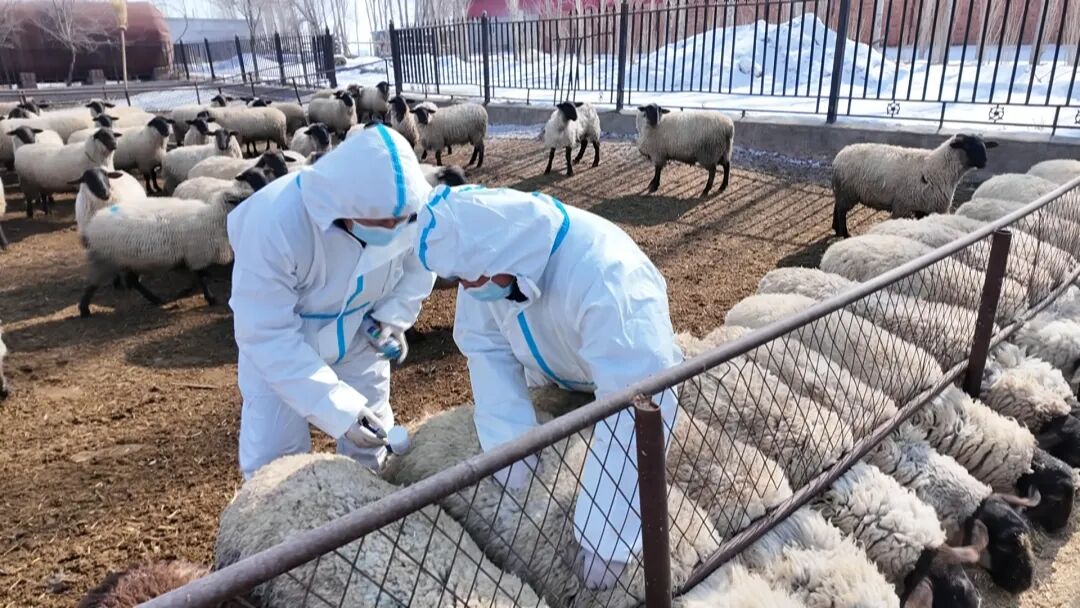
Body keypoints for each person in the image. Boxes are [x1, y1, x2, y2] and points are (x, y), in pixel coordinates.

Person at [415, 185, 682, 589]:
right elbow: (484, 345)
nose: (469, 287)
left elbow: (639, 394)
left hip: (614, 370)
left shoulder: (608, 275)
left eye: (475, 276)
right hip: (552, 374)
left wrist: (606, 537)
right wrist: (510, 444)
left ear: (506, 249)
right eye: (461, 278)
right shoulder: (486, 264)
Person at [227, 124, 436, 480]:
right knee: (274, 459)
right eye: (382, 220)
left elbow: (421, 266)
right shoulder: (276, 221)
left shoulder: (412, 209)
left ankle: (370, 505)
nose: (393, 229)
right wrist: (339, 410)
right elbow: (266, 333)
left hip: (360, 334)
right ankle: (281, 512)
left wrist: (391, 318)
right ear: (345, 203)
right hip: (285, 350)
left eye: (401, 221)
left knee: (374, 442)